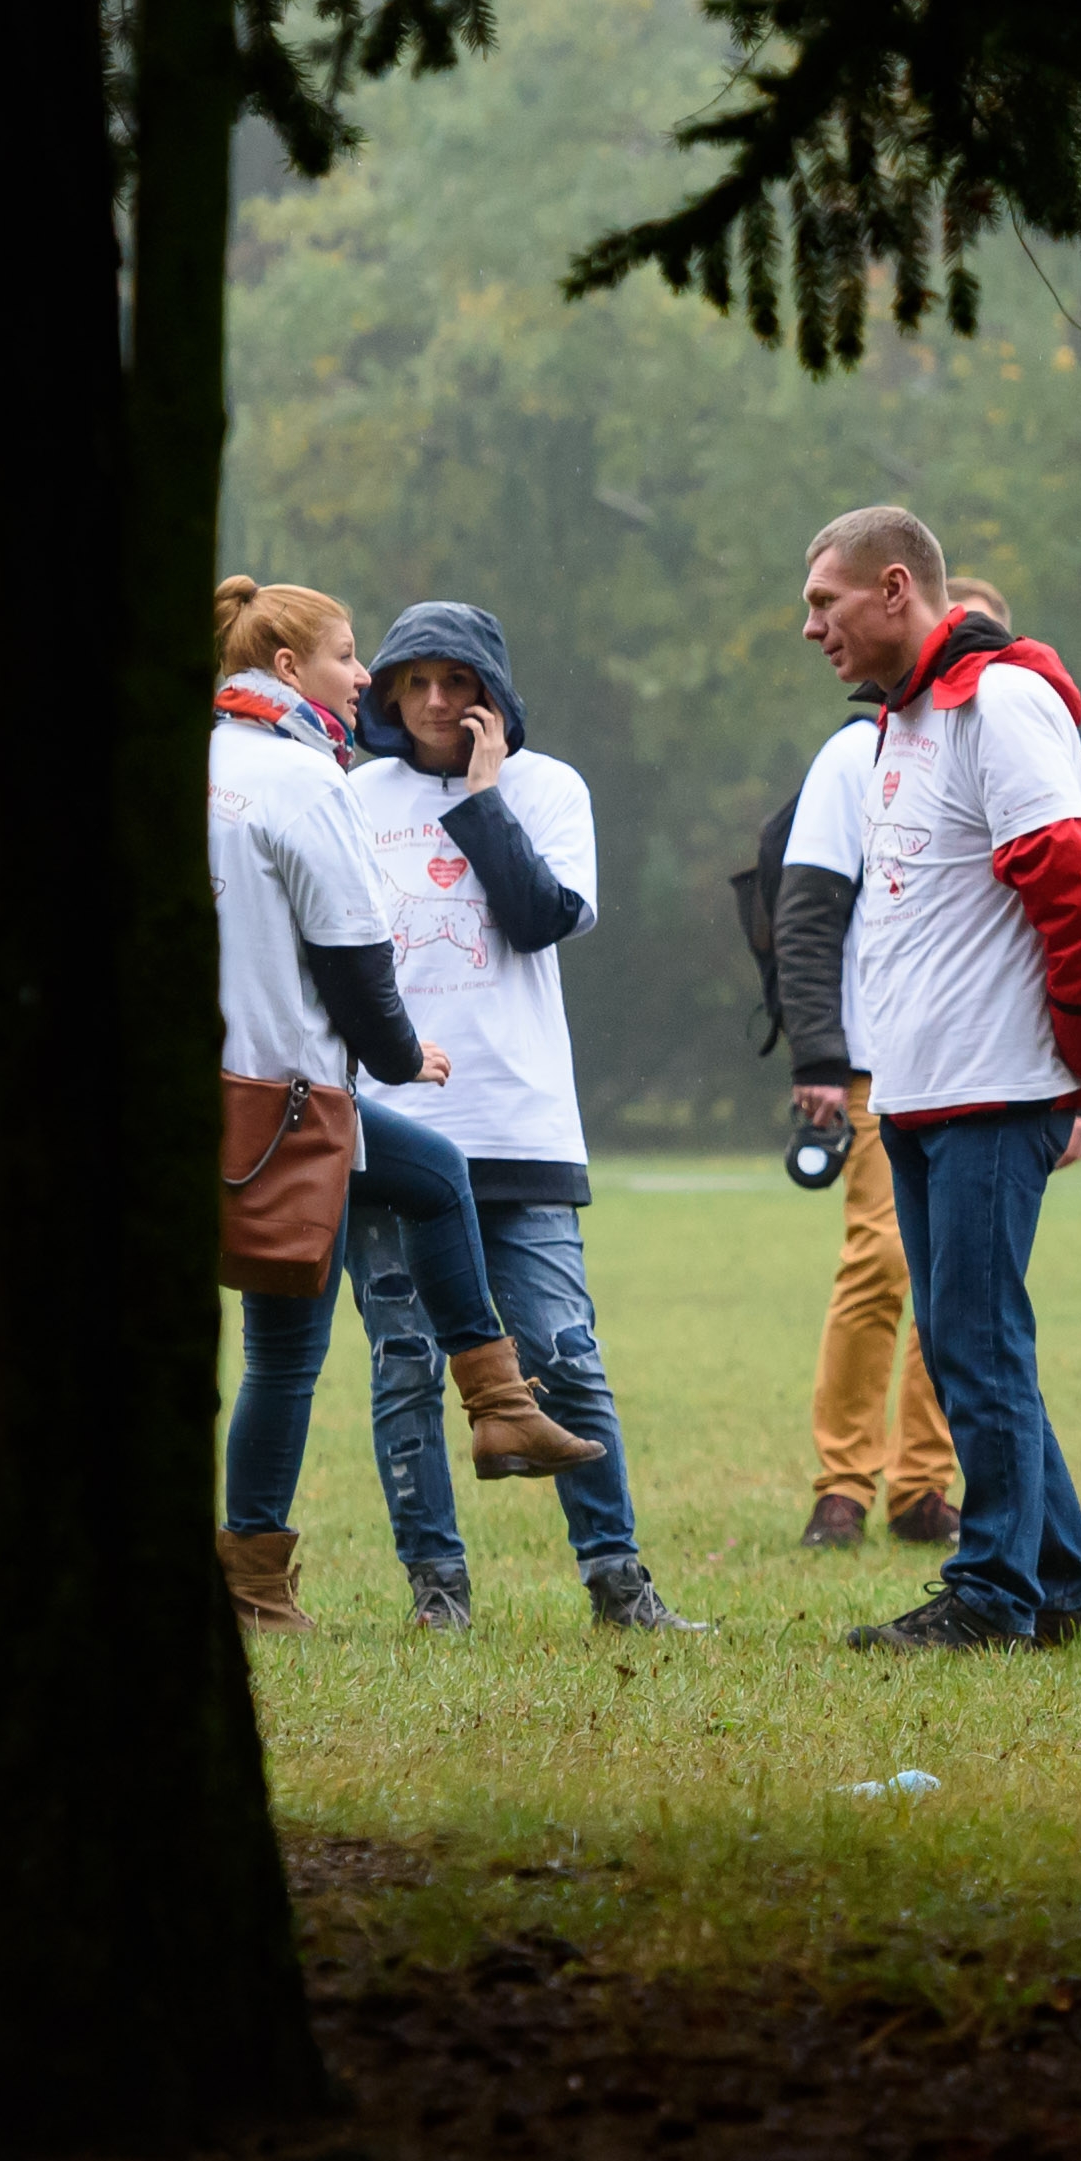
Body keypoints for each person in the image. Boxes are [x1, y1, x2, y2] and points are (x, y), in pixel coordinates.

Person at [206, 578, 604, 1632]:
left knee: (282, 1354)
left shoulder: (199, 764)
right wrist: (396, 1052)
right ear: (288, 669)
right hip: (288, 1101)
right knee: (432, 1181)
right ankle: (502, 1408)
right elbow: (349, 950)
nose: (365, 680)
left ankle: (252, 1581)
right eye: (351, 657)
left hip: (219, 1093)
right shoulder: (305, 780)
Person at [808, 514, 1081, 1652]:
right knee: (965, 1342)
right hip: (915, 1089)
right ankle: (1064, 1592)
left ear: (895, 588)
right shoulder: (900, 723)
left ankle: (992, 1595)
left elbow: (1076, 883)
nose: (811, 628)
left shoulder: (998, 702)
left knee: (977, 1342)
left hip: (993, 1086)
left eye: (826, 602)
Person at [342, 598, 693, 1636]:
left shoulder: (549, 789)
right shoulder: (356, 797)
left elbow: (538, 917)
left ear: (495, 694)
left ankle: (618, 1581)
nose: (438, 701)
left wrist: (485, 795)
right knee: (404, 1362)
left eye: (459, 682)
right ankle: (436, 1590)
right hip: (390, 1124)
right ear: (391, 696)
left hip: (520, 1125)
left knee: (563, 1350)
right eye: (416, 682)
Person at [771, 676, 966, 1555]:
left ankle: (926, 1483)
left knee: (960, 1275)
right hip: (877, 1062)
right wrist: (816, 1054)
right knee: (883, 1259)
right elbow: (807, 912)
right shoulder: (858, 752)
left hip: (982, 1063)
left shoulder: (1002, 745)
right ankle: (844, 1483)